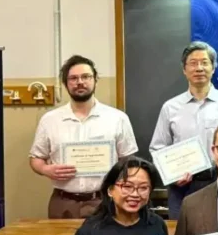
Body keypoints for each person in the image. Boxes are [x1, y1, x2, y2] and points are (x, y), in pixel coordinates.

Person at [30, 55, 138, 219]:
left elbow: (129, 160)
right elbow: (36, 158)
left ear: (95, 80)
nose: (80, 82)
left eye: (86, 76)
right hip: (63, 201)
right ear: (65, 83)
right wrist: (46, 169)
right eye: (73, 78)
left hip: (105, 200)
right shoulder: (50, 120)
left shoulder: (117, 118)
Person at [150, 41, 218, 219]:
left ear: (213, 68)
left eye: (204, 63)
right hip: (182, 188)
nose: (199, 68)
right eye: (193, 63)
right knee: (182, 233)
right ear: (184, 70)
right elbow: (158, 147)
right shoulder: (170, 107)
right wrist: (172, 174)